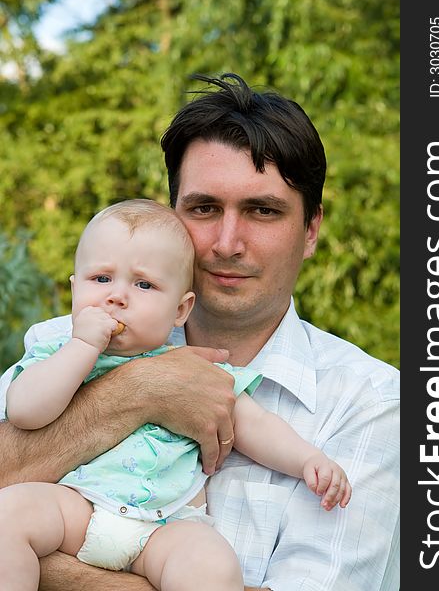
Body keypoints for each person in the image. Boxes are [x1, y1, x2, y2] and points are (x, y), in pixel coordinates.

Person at [0, 73, 399, 591]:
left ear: (311, 230)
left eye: (263, 210)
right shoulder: (67, 339)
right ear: (173, 217)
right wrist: (141, 392)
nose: (227, 243)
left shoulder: (371, 403)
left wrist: (58, 574)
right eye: (204, 208)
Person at [0, 198, 351, 591]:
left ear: (181, 309)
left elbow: (255, 424)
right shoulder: (55, 352)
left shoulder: (200, 373)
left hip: (165, 527)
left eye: (144, 284)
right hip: (76, 507)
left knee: (212, 565)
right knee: (7, 516)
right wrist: (82, 348)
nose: (116, 296)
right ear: (74, 287)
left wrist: (308, 459)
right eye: (100, 279)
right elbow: (25, 412)